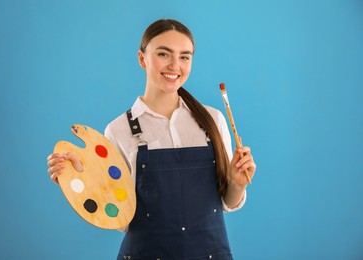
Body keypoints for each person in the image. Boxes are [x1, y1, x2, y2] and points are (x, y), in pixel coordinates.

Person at [47, 18, 256, 260]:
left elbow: (227, 203)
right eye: (164, 54)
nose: (175, 65)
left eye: (185, 56)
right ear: (141, 58)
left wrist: (237, 182)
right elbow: (119, 215)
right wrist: (80, 179)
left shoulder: (213, 120)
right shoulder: (118, 130)